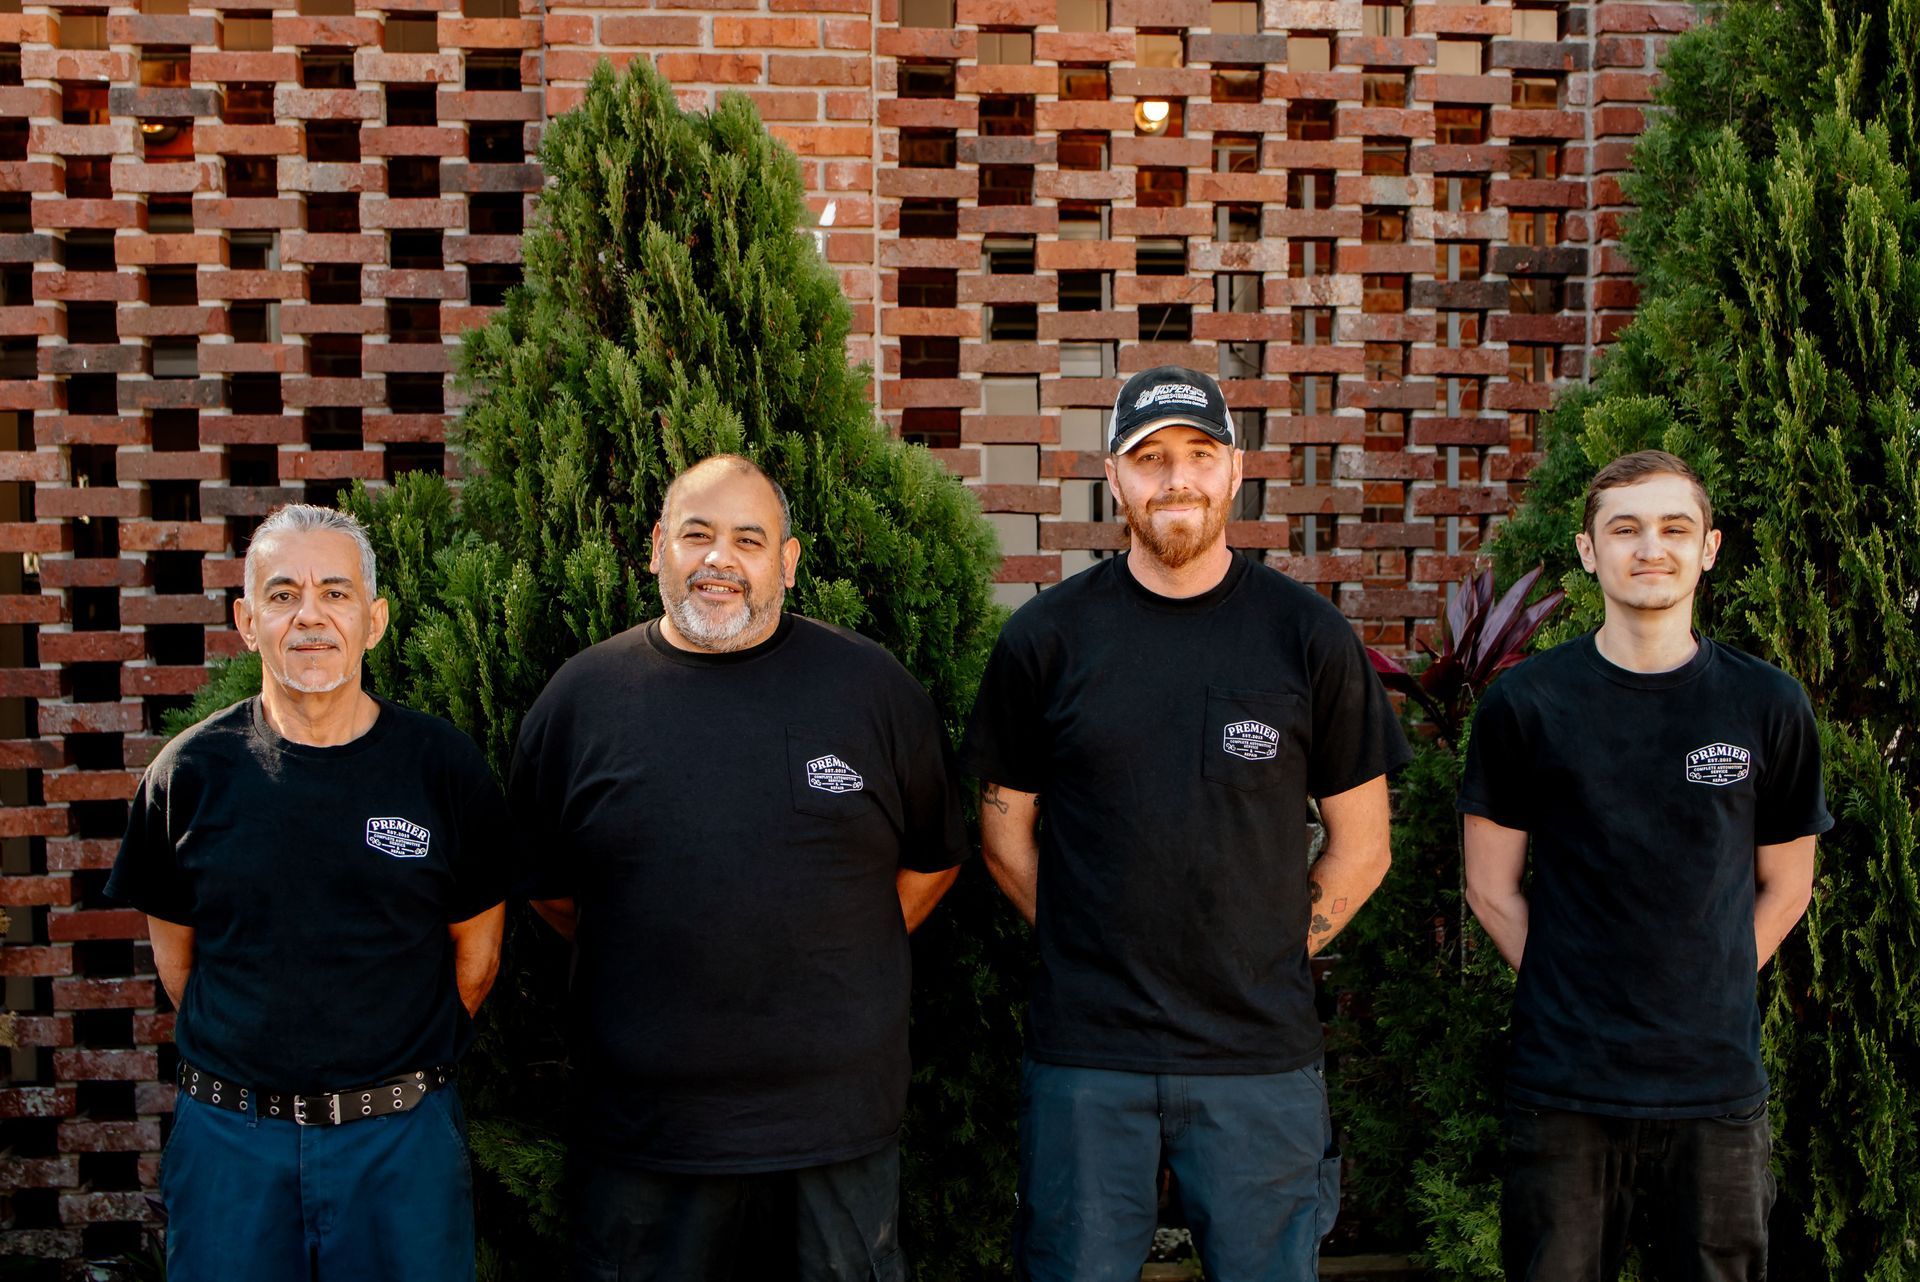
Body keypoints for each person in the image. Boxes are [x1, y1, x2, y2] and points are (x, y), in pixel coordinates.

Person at [960, 365, 1410, 1282]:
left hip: (1259, 1064)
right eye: (1151, 457)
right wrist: (1089, 942)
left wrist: (1268, 952)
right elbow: (1004, 837)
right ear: (1114, 479)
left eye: (1199, 455)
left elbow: (1363, 852)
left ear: (1235, 471)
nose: (1177, 479)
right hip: (1089, 1063)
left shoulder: (1308, 637)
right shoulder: (1045, 641)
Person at [510, 454, 967, 1282]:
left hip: (838, 1127)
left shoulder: (873, 691)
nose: (719, 559)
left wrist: (837, 943)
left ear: (786, 565)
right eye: (697, 534)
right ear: (657, 548)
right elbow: (546, 889)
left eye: (748, 540)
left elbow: (933, 863)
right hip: (648, 1132)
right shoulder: (581, 701)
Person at [106, 503, 510, 1281]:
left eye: (336, 592)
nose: (311, 616)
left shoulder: (444, 769)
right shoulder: (188, 776)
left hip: (400, 1145)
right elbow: (179, 965)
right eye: (283, 595)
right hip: (231, 1144)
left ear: (376, 618)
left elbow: (479, 958)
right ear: (247, 620)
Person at [1459, 450, 1830, 1281]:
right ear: (1589, 551)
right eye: (1624, 529)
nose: (1649, 547)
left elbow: (1789, 883)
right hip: (1565, 1091)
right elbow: (1489, 886)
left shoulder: (1768, 705)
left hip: (1716, 1089)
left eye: (1674, 528)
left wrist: (1706, 982)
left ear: (1709, 548)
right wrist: (1575, 987)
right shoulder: (1526, 706)